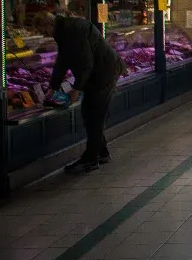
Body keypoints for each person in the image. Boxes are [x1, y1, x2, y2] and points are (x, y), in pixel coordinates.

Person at [34, 12, 126, 173]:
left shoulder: (73, 30)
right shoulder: (64, 31)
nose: (44, 35)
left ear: (49, 25)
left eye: (43, 31)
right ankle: (101, 152)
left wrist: (75, 90)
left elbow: (86, 63)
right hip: (97, 73)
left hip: (104, 72)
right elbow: (62, 61)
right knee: (91, 114)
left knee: (93, 114)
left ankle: (91, 159)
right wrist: (52, 87)